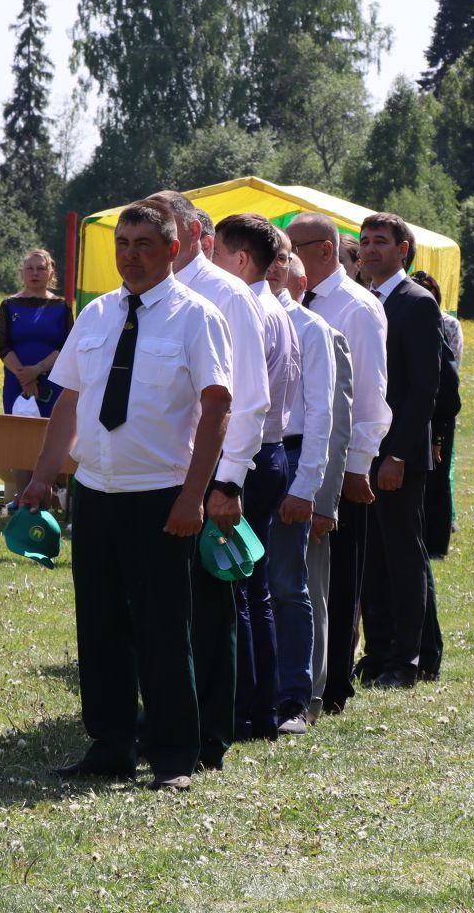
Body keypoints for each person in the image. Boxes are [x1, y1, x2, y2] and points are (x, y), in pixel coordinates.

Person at [15, 199, 235, 793]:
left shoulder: (198, 317)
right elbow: (68, 403)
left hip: (161, 497)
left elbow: (217, 409)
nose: (131, 256)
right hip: (96, 493)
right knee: (101, 627)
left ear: (172, 249)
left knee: (165, 630)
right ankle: (110, 745)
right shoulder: (96, 314)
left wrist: (194, 497)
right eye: (123, 244)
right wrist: (42, 477)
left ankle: (173, 758)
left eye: (144, 244)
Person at [150, 191, 269, 769]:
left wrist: (226, 483)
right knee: (158, 610)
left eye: (158, 230)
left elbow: (247, 401)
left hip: (207, 479)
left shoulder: (227, 294)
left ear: (194, 233)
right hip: (151, 477)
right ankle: (164, 721)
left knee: (209, 609)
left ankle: (210, 735)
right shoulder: (143, 295)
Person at [284, 212, 389, 717]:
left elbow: (369, 397)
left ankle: (333, 685)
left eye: (294, 246)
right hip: (312, 458)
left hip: (343, 464)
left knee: (339, 576)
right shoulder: (302, 305)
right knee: (314, 575)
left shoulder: (357, 307)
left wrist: (357, 465)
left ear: (324, 250)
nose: (286, 255)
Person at [212, 212, 298, 740]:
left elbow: (246, 401)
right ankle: (260, 709)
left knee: (238, 590)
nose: (213, 265)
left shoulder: (249, 309)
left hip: (248, 460)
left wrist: (229, 478)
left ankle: (244, 708)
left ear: (241, 259)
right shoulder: (274, 309)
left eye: (218, 254)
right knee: (254, 588)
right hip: (268, 456)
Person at [354, 212, 442, 690]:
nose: (370, 250)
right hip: (363, 452)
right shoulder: (363, 301)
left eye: (380, 242)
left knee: (402, 557)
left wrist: (399, 456)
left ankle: (407, 660)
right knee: (371, 558)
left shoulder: (417, 303)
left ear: (402, 250)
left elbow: (423, 391)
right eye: (364, 242)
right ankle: (379, 651)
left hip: (397, 458)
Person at [266, 240, 348, 734]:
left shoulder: (311, 328)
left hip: (290, 454)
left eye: (281, 262)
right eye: (265, 261)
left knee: (287, 582)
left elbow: (324, 413)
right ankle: (249, 691)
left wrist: (311, 487)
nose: (272, 271)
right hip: (240, 457)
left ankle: (294, 697)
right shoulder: (234, 314)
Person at [408, 267, 461, 681]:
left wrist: (437, 437)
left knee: (411, 548)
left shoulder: (425, 312)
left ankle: (421, 653)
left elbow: (441, 386)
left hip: (407, 446)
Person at [0, 248, 74, 499]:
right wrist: (23, 376)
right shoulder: (9, 305)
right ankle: (21, 497)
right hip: (16, 383)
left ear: (51, 272)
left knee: (52, 438)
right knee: (20, 439)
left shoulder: (61, 307)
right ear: (22, 273)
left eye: (41, 268)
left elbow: (67, 346)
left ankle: (50, 496)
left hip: (53, 383)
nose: (35, 273)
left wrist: (37, 371)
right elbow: (2, 346)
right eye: (30, 268)